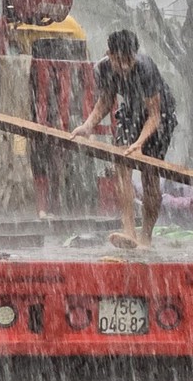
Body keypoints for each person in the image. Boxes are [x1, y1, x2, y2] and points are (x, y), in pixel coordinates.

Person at [68, 30, 177, 249]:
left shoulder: (146, 68)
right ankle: (129, 231)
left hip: (160, 117)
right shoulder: (103, 68)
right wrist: (88, 125)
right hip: (130, 113)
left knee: (149, 175)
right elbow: (106, 101)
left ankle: (146, 236)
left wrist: (139, 144)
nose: (125, 66)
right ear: (109, 54)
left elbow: (154, 115)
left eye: (129, 59)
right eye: (119, 60)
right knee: (121, 166)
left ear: (135, 54)